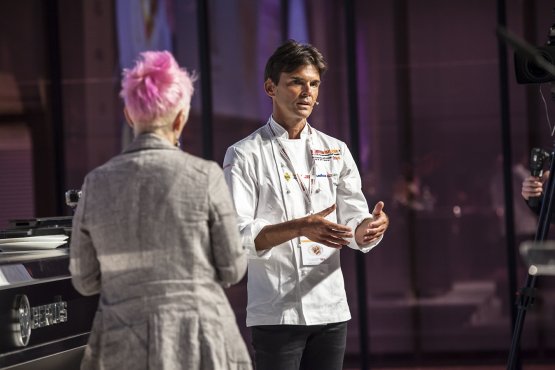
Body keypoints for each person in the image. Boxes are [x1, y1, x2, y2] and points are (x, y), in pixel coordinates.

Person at [69, 50, 252, 370]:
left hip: (121, 344)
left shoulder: (95, 184)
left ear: (129, 115)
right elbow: (233, 269)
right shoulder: (205, 176)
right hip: (200, 340)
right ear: (180, 118)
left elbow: (84, 280)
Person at [223, 40, 390, 370]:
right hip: (276, 311)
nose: (306, 93)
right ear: (271, 87)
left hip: (329, 307)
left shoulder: (335, 149)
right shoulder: (244, 154)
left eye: (313, 84)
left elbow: (354, 218)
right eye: (296, 82)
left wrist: (368, 228)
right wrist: (301, 227)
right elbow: (237, 234)